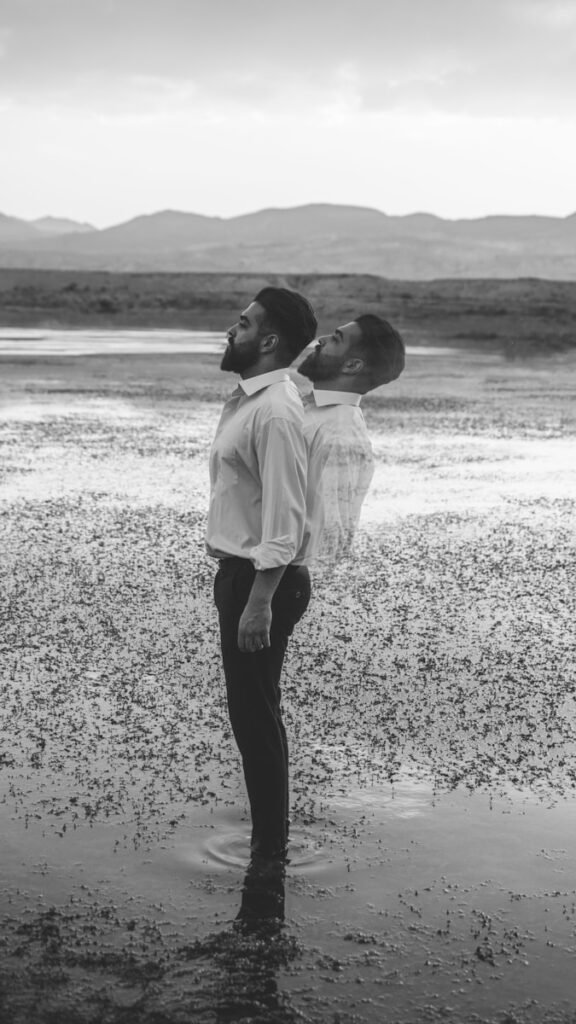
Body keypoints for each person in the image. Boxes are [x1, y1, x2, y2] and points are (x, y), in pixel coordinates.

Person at [206, 287, 317, 860]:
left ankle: (269, 848)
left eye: (243, 323)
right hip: (246, 576)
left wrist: (259, 600)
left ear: (269, 341)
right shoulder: (252, 401)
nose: (232, 329)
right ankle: (268, 840)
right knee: (254, 711)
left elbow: (286, 513)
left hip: (259, 581)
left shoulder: (274, 409)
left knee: (254, 716)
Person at [297, 314, 405, 568]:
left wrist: (265, 595)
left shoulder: (339, 434)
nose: (320, 341)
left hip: (281, 581)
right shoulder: (310, 410)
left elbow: (329, 533)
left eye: (336, 339)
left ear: (352, 365)